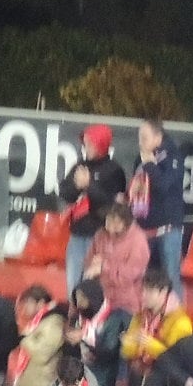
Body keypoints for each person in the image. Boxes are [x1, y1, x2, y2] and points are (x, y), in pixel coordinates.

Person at [60, 124, 127, 291]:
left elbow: (111, 205)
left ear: (101, 144)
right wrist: (77, 186)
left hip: (99, 236)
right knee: (73, 285)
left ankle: (93, 317)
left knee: (93, 287)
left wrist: (89, 185)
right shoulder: (80, 164)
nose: (86, 148)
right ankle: (74, 314)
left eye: (90, 144)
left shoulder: (114, 170)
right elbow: (65, 192)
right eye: (85, 144)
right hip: (77, 235)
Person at [130, 118, 187, 283]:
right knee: (146, 279)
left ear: (158, 137)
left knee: (170, 278)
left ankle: (174, 309)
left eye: (145, 138)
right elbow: (138, 187)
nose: (141, 142)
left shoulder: (173, 156)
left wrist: (149, 165)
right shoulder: (139, 159)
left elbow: (164, 185)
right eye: (139, 137)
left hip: (167, 229)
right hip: (145, 227)